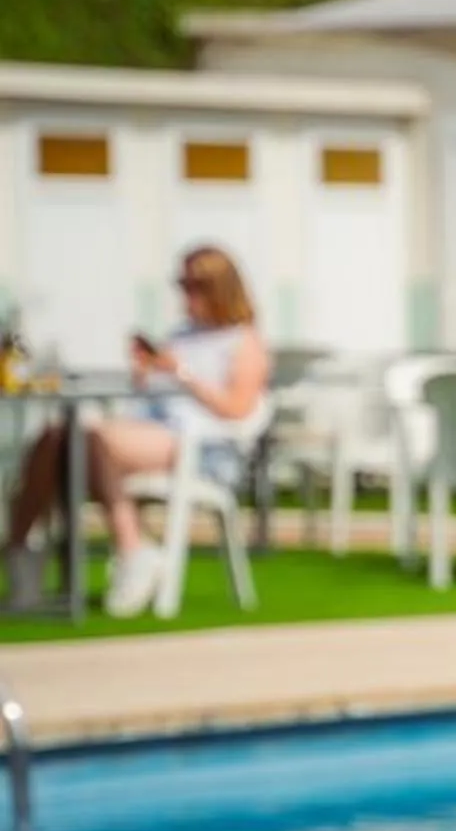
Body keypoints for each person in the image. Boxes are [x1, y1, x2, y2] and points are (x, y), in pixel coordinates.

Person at [4, 245, 269, 618]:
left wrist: (182, 374)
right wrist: (147, 373)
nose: (185, 293)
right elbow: (149, 399)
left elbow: (237, 409)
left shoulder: (244, 341)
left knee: (87, 438)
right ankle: (21, 553)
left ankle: (132, 549)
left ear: (220, 288)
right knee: (55, 436)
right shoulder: (181, 334)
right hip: (149, 433)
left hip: (204, 447)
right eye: (181, 283)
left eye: (193, 285)